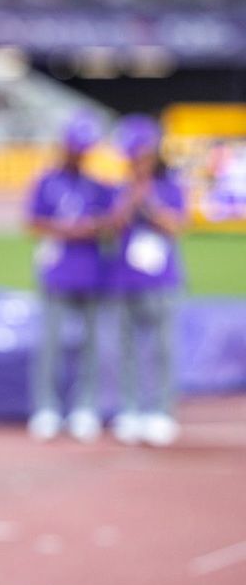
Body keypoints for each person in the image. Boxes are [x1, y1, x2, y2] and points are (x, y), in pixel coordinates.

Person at [25, 111, 113, 442]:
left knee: (89, 345)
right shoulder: (47, 182)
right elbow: (32, 222)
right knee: (50, 344)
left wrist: (94, 227)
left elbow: (111, 223)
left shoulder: (97, 185)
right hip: (56, 271)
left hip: (91, 271)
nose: (79, 153)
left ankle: (85, 407)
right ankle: (46, 407)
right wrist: (66, 229)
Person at [106, 114, 186, 446]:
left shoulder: (171, 186)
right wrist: (130, 199)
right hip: (124, 280)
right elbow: (111, 228)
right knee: (125, 350)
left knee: (161, 350)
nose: (136, 162)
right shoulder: (119, 190)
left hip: (161, 281)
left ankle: (161, 411)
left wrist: (149, 203)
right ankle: (130, 409)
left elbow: (175, 226)